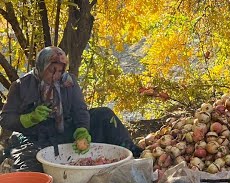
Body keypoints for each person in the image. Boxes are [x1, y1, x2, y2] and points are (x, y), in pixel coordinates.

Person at [0, 46, 143, 172]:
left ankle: (133, 152)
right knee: (29, 162)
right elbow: (5, 119)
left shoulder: (69, 82)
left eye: (60, 71)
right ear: (41, 66)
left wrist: (82, 129)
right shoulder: (21, 86)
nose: (56, 76)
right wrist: (30, 118)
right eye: (52, 71)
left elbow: (80, 109)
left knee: (105, 114)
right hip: (39, 136)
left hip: (66, 130)